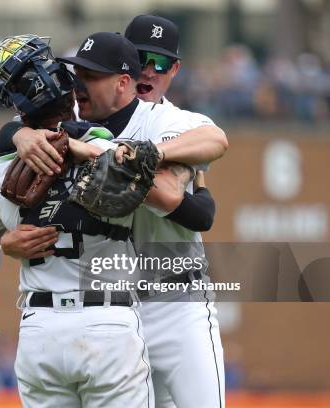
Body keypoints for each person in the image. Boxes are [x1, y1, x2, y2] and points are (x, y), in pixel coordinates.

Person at [0, 34, 153, 408]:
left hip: (40, 330)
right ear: (64, 89)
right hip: (107, 323)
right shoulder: (107, 149)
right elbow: (144, 170)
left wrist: (6, 240)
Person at [125, 15, 225, 408]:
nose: (149, 69)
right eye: (139, 57)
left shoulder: (182, 123)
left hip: (178, 300)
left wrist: (150, 154)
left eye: (161, 62)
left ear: (175, 69)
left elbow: (216, 139)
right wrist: (21, 134)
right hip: (115, 306)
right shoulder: (90, 119)